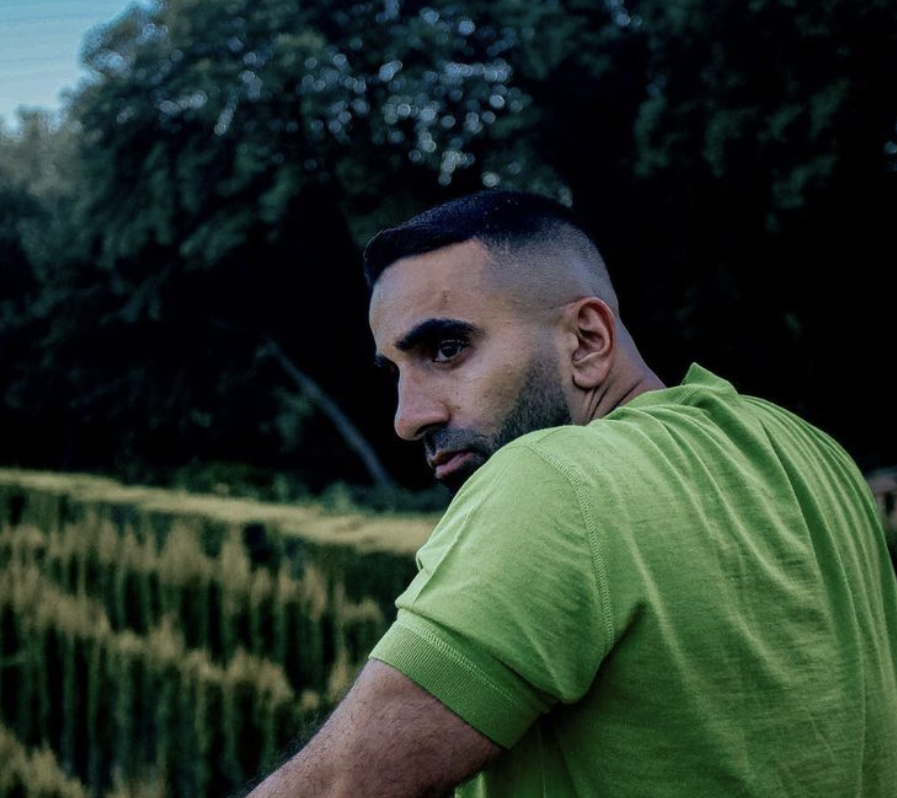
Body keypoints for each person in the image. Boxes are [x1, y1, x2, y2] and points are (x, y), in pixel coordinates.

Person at [245, 190, 897, 797]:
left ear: (586, 340)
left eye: (446, 349)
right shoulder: (813, 453)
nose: (407, 417)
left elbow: (338, 786)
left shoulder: (552, 479)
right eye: (395, 371)